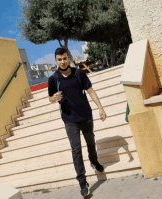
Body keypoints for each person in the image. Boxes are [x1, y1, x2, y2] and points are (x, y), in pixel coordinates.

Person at [48, 48, 107, 197]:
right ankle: (82, 182)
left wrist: (100, 108)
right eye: (59, 59)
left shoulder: (79, 73)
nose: (62, 62)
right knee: (76, 150)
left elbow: (91, 91)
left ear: (69, 59)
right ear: (56, 61)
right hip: (69, 119)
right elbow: (50, 97)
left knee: (90, 141)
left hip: (85, 115)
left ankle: (94, 161)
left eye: (65, 58)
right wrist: (53, 99)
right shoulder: (53, 79)